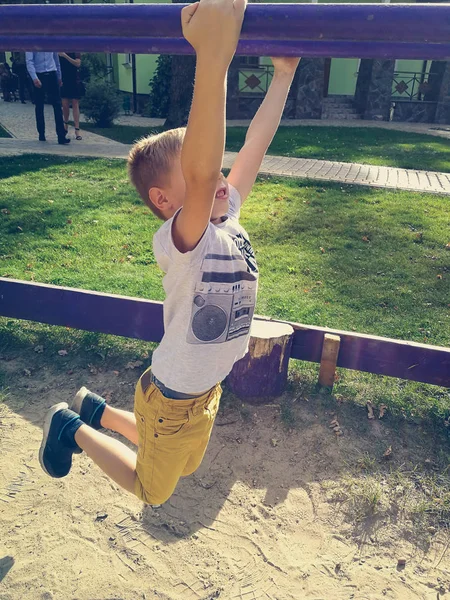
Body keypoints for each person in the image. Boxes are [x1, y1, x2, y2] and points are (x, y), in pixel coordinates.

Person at [38, 0, 300, 506]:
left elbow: (252, 150)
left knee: (187, 461)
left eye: (217, 170)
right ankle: (71, 427)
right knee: (153, 489)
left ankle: (97, 410)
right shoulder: (186, 241)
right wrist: (213, 58)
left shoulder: (228, 215)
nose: (218, 177)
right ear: (165, 201)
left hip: (200, 393)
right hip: (174, 399)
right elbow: (202, 173)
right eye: (203, 174)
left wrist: (283, 78)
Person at [25, 51, 70, 144]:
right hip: (39, 73)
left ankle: (61, 135)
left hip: (51, 73)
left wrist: (59, 76)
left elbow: (56, 60)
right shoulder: (31, 42)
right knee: (39, 105)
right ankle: (41, 133)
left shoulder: (50, 42)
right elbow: (29, 61)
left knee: (57, 104)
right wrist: (34, 78)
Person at [59, 52, 83, 141]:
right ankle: (65, 124)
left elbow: (77, 64)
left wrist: (65, 56)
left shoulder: (75, 50)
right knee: (64, 104)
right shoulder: (59, 50)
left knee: (75, 103)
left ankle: (77, 129)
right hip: (64, 78)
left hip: (74, 78)